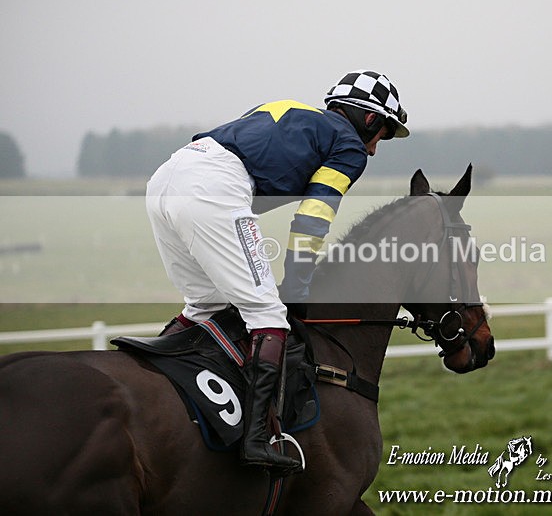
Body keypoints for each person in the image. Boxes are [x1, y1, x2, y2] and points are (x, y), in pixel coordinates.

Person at [145, 70, 409, 472]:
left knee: (206, 305)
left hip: (168, 176)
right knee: (269, 316)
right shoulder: (349, 145)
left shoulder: (295, 110)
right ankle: (257, 440)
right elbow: (313, 217)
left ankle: (146, 379)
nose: (374, 150)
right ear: (370, 120)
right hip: (213, 187)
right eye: (383, 136)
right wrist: (297, 286)